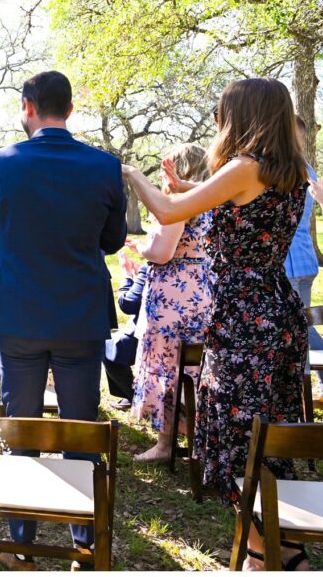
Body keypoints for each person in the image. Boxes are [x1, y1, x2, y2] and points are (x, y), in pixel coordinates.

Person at [124, 78, 310, 571]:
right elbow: (231, 205)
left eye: (225, 113)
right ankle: (277, 545)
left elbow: (165, 211)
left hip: (245, 322)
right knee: (266, 434)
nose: (218, 123)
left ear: (245, 117)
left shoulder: (243, 167)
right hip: (276, 313)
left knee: (233, 436)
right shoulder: (286, 170)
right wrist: (187, 188)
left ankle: (265, 553)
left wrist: (130, 174)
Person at [0, 71, 126, 570]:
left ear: (27, 107)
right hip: (79, 314)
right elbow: (114, 241)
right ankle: (84, 542)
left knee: (23, 427)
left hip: (19, 315)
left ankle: (20, 541)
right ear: (71, 110)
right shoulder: (104, 166)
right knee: (81, 428)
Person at [125, 144, 213, 463]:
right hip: (202, 289)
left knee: (168, 363)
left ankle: (165, 445)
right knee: (194, 365)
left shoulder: (181, 201)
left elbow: (162, 252)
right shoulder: (212, 198)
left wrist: (142, 249)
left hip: (174, 295)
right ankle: (199, 442)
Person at [285, 116, 323, 399]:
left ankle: (317, 385)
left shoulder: (288, 169)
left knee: (298, 328)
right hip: (302, 259)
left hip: (290, 262)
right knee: (301, 325)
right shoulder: (305, 167)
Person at [103, 254, 149, 411]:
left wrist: (127, 274)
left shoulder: (152, 268)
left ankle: (135, 397)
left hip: (150, 334)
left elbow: (128, 304)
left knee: (110, 348)